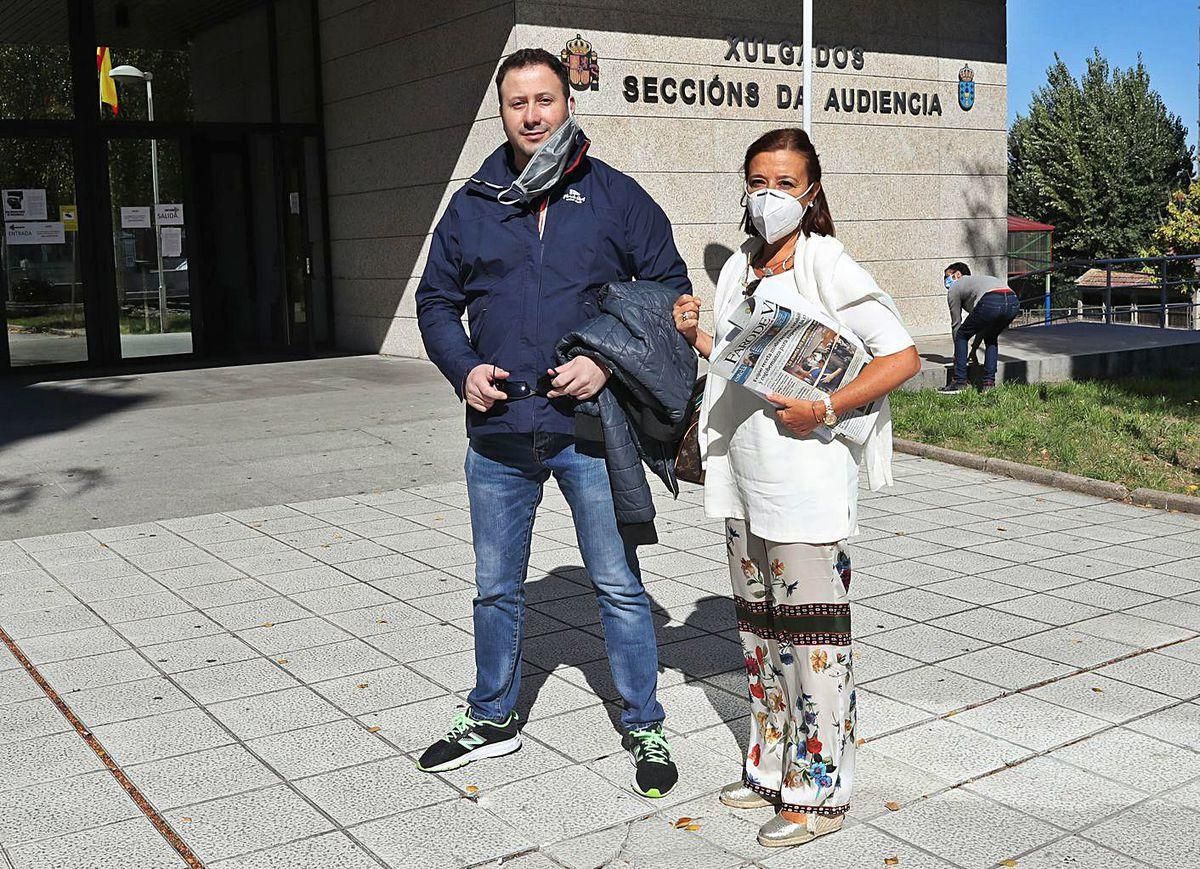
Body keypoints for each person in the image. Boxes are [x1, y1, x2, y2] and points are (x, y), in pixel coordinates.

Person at [414, 48, 691, 798]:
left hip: (589, 430)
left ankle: (643, 721)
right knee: (494, 588)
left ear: (568, 104)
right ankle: (492, 716)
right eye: (517, 103)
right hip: (500, 432)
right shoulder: (474, 201)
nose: (532, 115)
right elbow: (436, 300)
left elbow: (670, 292)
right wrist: (461, 366)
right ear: (500, 112)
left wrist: (605, 361)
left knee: (619, 585)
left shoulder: (613, 197)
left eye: (544, 100)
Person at [672, 128, 920, 848]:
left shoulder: (825, 261)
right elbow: (744, 365)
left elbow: (899, 355)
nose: (768, 196)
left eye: (784, 183)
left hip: (805, 484)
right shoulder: (742, 269)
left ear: (810, 192)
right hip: (745, 479)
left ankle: (820, 792)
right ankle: (769, 767)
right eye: (758, 180)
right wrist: (699, 337)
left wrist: (830, 407)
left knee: (813, 646)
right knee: (761, 639)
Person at [939, 262, 1020, 393]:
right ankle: (988, 384)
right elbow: (982, 327)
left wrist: (958, 354)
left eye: (947, 275)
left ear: (958, 274)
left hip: (992, 299)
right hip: (1012, 301)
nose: (945, 280)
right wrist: (973, 350)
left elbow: (956, 324)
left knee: (961, 334)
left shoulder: (955, 287)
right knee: (991, 338)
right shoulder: (977, 284)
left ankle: (960, 382)